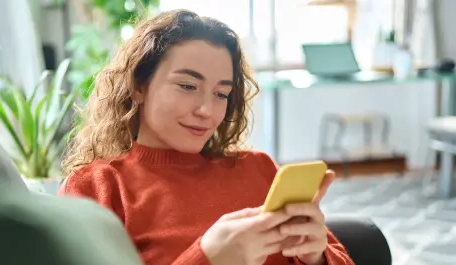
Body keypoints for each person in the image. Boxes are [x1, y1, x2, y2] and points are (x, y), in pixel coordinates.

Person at [59, 9, 354, 265]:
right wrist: (207, 258)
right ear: (139, 86)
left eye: (221, 94)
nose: (206, 110)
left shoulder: (259, 169)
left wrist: (316, 256)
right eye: (188, 86)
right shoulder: (98, 188)